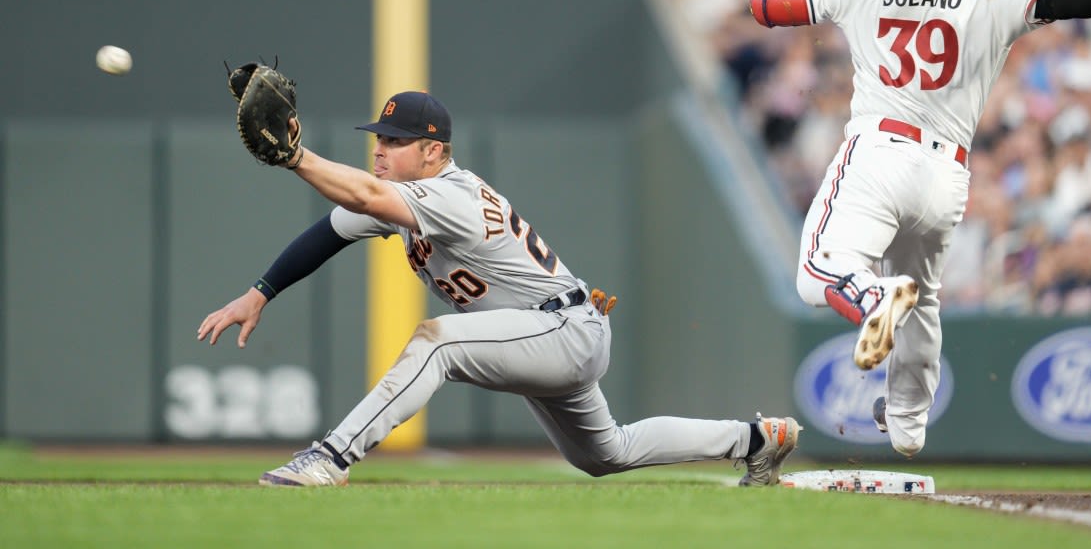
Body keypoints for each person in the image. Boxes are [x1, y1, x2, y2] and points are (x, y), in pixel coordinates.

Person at [197, 90, 800, 486]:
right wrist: (260, 292)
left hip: (563, 326)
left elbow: (364, 195)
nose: (380, 150)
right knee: (603, 454)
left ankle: (329, 459)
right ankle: (757, 440)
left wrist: (297, 157)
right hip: (553, 329)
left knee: (436, 342)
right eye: (379, 139)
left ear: (433, 151)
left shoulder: (452, 194)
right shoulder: (408, 199)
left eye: (395, 142)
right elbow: (331, 231)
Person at [747, 0, 1091, 457]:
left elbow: (766, 3)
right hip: (947, 176)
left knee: (818, 270)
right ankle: (910, 422)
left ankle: (871, 302)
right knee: (925, 295)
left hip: (880, 151)